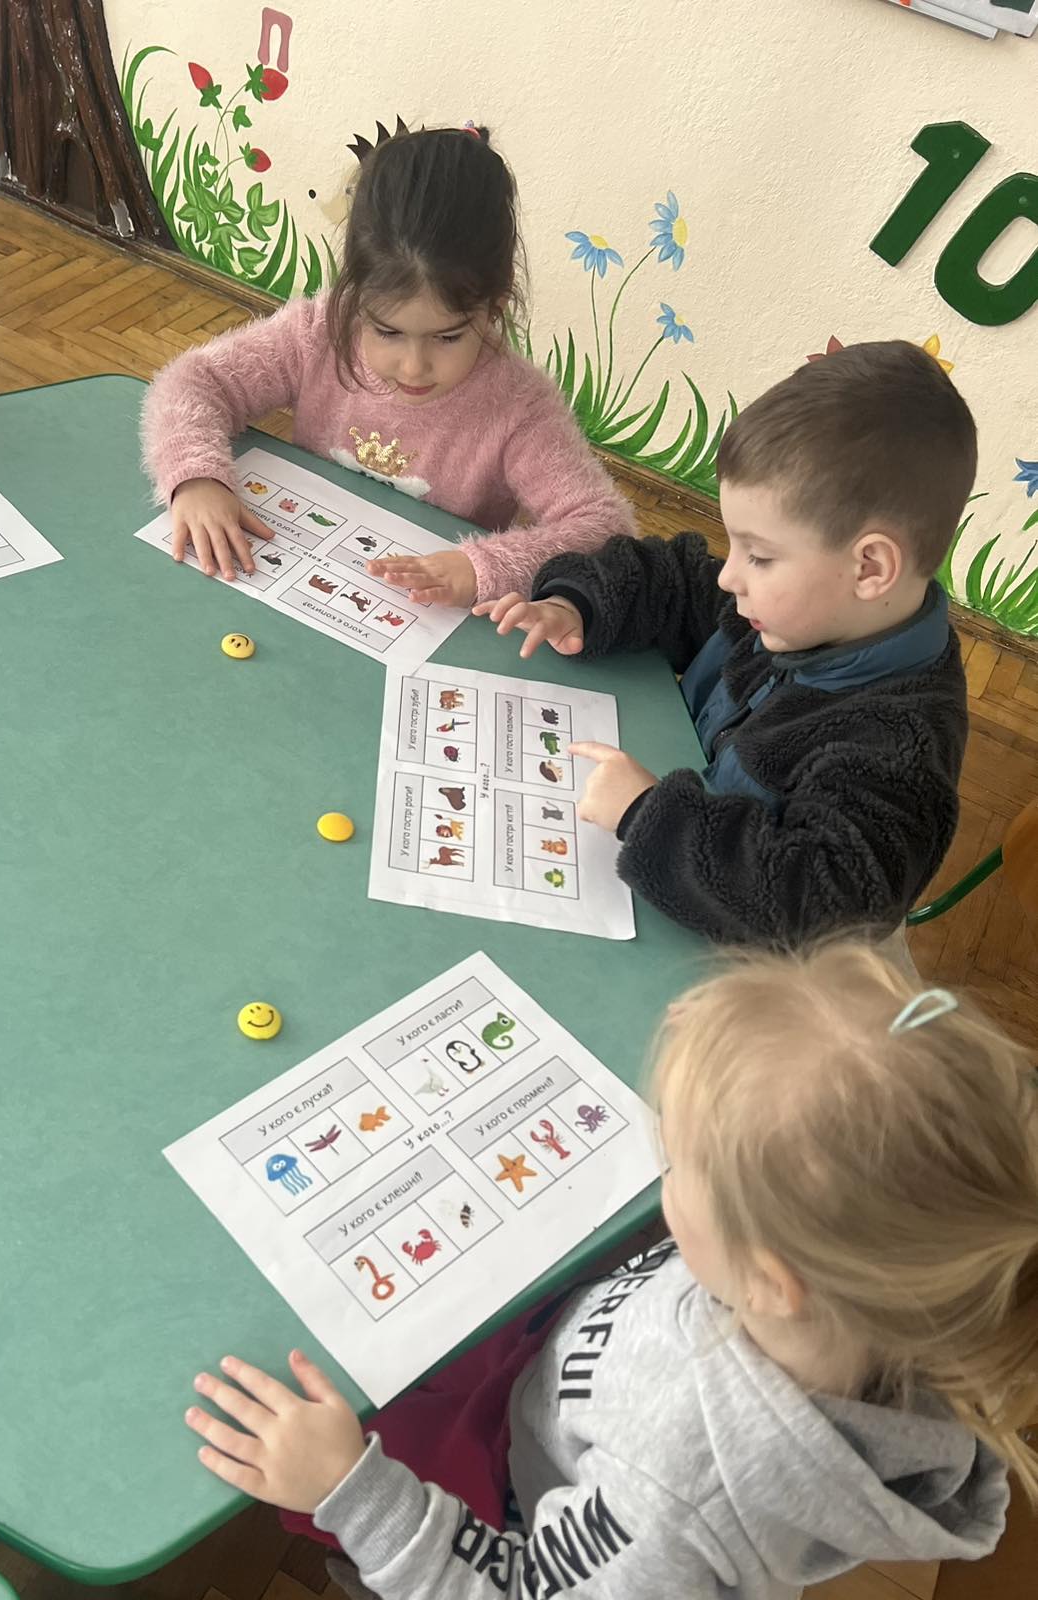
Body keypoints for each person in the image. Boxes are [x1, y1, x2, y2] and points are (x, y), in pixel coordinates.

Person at [184, 942, 1034, 1598]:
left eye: (679, 1162)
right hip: (566, 1380)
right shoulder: (907, 1299)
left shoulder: (678, 1495)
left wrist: (355, 1494)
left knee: (312, 1444)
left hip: (512, 1508)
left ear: (771, 1282)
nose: (659, 1162)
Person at [478, 341, 974, 945]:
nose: (728, 576)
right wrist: (575, 603)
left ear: (870, 568)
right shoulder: (796, 612)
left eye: (759, 556)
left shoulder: (900, 747)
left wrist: (647, 817)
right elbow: (673, 580)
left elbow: (823, 907)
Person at [140, 126, 632, 597]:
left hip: (429, 618)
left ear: (495, 307)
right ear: (354, 296)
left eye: (448, 337)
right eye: (387, 331)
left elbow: (605, 529)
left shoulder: (519, 407)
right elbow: (194, 381)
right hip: (298, 573)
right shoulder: (318, 333)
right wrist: (196, 477)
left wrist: (484, 567)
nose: (413, 367)